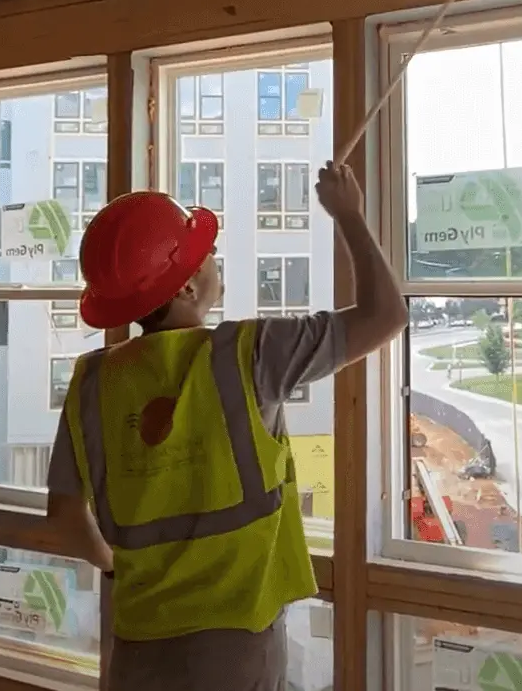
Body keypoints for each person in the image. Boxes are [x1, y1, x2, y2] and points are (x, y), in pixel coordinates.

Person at [46, 161, 407, 691]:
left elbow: (62, 516)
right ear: (189, 286)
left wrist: (112, 566)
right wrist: (347, 213)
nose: (214, 259)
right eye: (203, 254)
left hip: (137, 644)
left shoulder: (93, 380)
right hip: (235, 645)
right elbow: (386, 315)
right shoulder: (248, 355)